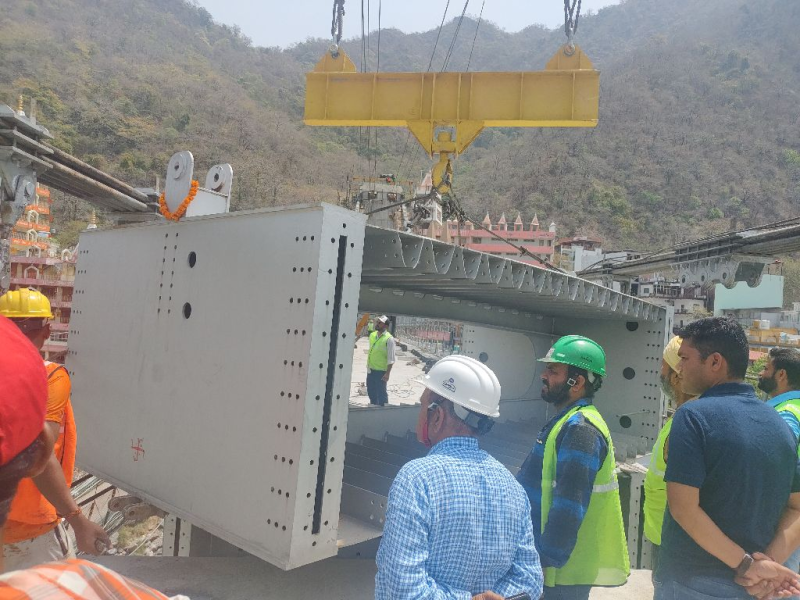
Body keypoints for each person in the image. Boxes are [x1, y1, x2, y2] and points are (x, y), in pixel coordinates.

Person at [375, 355, 543, 600]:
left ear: (437, 416)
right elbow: (530, 582)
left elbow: (403, 589)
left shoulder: (417, 480)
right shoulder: (511, 486)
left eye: (422, 406)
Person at [655, 317, 800, 599]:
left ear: (715, 362)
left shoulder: (693, 416)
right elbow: (797, 508)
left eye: (685, 358)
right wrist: (765, 564)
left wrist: (748, 565)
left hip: (690, 581)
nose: (679, 368)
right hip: (748, 588)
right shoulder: (778, 423)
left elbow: (683, 508)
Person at [0, 288, 110, 570]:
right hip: (29, 526)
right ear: (47, 330)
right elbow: (38, 455)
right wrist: (77, 520)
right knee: (54, 586)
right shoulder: (49, 377)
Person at [516, 335, 629, 600]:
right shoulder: (569, 421)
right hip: (556, 569)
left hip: (559, 575)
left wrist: (544, 559)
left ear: (576, 383)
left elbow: (570, 505)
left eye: (553, 370)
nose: (543, 375)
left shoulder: (581, 430)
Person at [643, 336, 696, 570]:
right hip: (667, 535)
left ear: (676, 376)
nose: (660, 373)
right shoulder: (684, 416)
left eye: (663, 366)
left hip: (675, 543)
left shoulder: (687, 423)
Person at [758, 347, 800, 581]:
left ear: (781, 374)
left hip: (784, 519)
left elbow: (778, 456)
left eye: (766, 368)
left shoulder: (784, 413)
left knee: (779, 586)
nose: (760, 373)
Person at [366, 315, 395, 407]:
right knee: (371, 391)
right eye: (377, 322)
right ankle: (373, 407)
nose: (377, 324)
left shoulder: (389, 339)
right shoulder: (372, 335)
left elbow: (391, 358)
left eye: (380, 323)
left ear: (386, 326)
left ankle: (383, 410)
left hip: (381, 372)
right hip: (370, 369)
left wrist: (387, 373)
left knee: (381, 393)